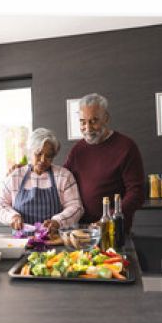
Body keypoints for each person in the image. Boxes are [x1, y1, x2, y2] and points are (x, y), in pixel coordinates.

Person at [64, 93, 145, 233]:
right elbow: (61, 179)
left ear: (106, 118)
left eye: (94, 121)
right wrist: (27, 170)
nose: (88, 128)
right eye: (83, 121)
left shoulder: (126, 147)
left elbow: (136, 193)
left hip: (114, 230)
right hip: (83, 231)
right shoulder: (77, 150)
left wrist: (109, 219)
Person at [0, 128, 84, 233]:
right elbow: (0, 203)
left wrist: (58, 221)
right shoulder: (15, 176)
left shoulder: (64, 176)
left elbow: (76, 207)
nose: (42, 160)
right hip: (21, 241)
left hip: (53, 239)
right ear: (30, 151)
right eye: (38, 153)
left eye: (48, 156)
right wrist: (12, 217)